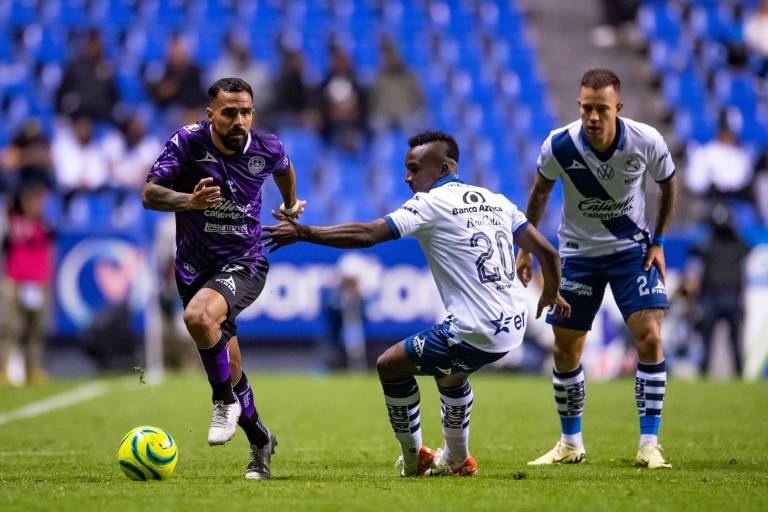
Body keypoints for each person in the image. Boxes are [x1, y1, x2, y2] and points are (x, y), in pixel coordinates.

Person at [263, 131, 570, 477]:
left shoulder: (430, 203)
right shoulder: (497, 200)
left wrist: (305, 233)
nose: (407, 177)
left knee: (390, 365)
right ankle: (457, 458)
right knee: (452, 377)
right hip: (514, 324)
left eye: (414, 168)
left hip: (475, 329)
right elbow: (548, 252)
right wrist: (549, 292)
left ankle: (414, 460)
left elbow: (369, 235)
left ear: (444, 167)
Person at [141, 77, 306, 480]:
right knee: (229, 367)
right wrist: (188, 201)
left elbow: (284, 169)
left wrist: (288, 205)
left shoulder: (266, 147)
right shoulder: (186, 143)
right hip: (193, 269)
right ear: (210, 114)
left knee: (199, 318)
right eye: (230, 112)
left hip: (243, 262)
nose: (239, 121)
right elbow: (149, 193)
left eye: (246, 112)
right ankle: (261, 440)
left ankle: (221, 402)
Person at [516, 69, 678, 469]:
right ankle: (571, 444)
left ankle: (648, 444)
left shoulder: (646, 140)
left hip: (631, 253)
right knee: (565, 348)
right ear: (579, 106)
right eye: (586, 107)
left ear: (617, 108)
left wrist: (657, 241)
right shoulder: (559, 145)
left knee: (651, 338)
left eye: (601, 109)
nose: (592, 116)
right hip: (578, 256)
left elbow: (668, 184)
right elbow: (540, 192)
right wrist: (527, 251)